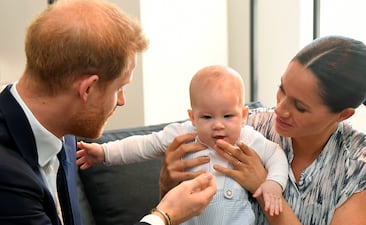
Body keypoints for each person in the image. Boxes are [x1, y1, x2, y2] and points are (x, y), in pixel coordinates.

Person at [0, 0, 216, 225]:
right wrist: (164, 216)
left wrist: (165, 193)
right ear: (88, 88)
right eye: (119, 88)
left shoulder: (64, 130)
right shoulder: (7, 176)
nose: (121, 101)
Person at [159, 36, 366, 225]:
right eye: (282, 89)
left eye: (300, 107)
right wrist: (168, 183)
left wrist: (263, 188)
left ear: (343, 114)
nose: (280, 110)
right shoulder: (246, 126)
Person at [76, 65, 289, 224]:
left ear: (243, 115)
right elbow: (143, 145)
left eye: (227, 116)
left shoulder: (248, 138)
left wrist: (273, 184)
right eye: (207, 117)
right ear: (192, 117)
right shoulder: (184, 133)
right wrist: (104, 152)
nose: (218, 126)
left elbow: (276, 155)